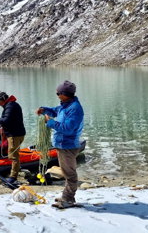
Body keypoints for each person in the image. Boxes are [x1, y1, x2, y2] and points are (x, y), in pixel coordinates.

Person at [36, 80, 84, 208]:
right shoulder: (65, 105)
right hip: (62, 144)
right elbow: (56, 111)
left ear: (65, 94)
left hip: (68, 146)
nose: (56, 95)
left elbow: (68, 128)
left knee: (70, 174)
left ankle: (68, 199)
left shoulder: (74, 109)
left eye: (58, 93)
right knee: (66, 171)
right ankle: (66, 196)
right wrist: (44, 110)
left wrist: (50, 122)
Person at [0, 91, 26, 184]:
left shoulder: (10, 106)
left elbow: (6, 120)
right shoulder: (11, 105)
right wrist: (2, 127)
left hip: (14, 135)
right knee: (15, 154)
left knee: (13, 156)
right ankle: (17, 169)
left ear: (3, 99)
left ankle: (13, 177)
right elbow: (11, 120)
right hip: (17, 133)